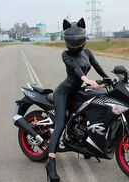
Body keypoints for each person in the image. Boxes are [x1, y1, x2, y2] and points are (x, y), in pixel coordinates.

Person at [45, 18, 109, 182]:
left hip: (77, 91)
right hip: (64, 93)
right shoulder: (65, 54)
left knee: (92, 107)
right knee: (60, 124)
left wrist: (108, 78)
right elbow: (76, 69)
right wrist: (87, 80)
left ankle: (85, 146)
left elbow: (97, 66)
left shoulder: (87, 53)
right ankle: (50, 162)